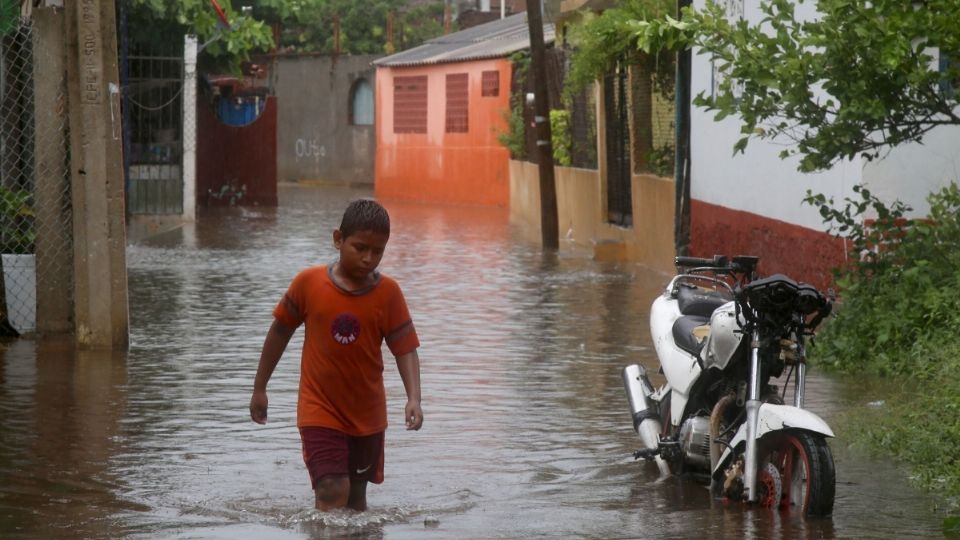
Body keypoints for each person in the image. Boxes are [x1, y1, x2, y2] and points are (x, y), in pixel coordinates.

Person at [249, 198, 423, 512]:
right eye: (360, 248)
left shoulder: (389, 294)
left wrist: (414, 397)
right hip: (320, 409)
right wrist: (260, 387)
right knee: (331, 490)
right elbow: (279, 332)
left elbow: (405, 347)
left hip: (367, 415)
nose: (369, 258)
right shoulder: (308, 284)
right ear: (337, 239)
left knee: (356, 503)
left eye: (378, 251)